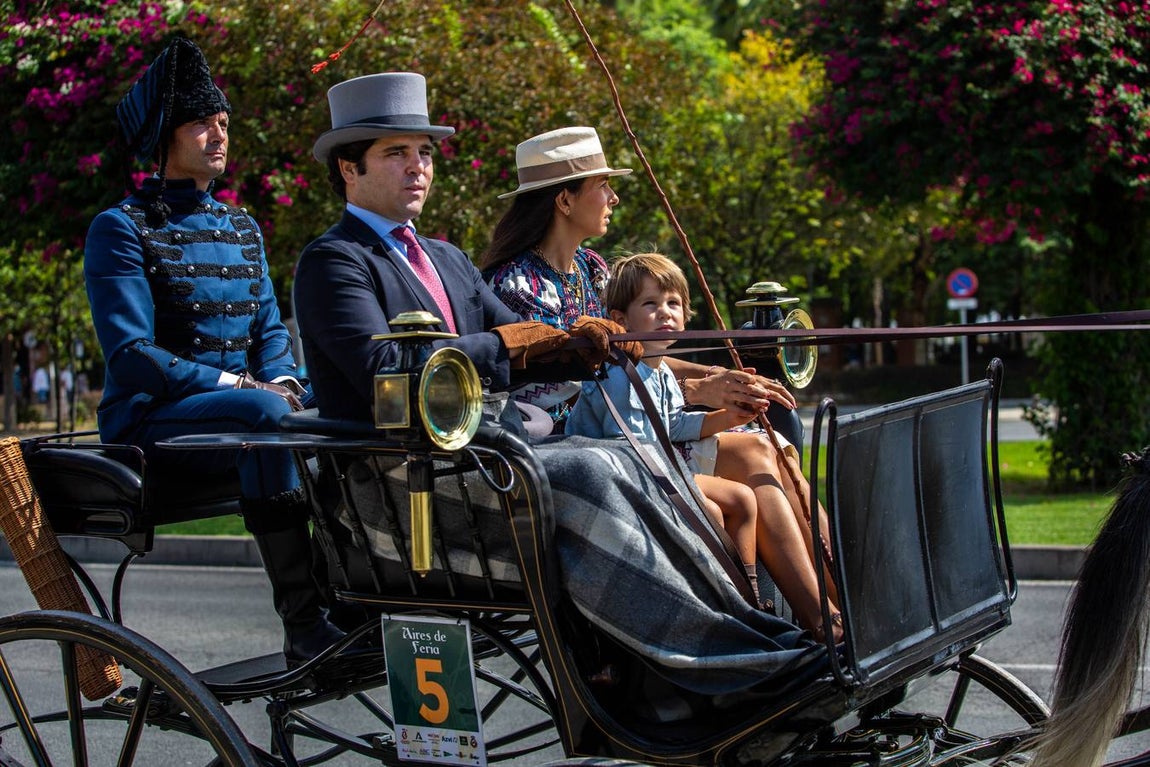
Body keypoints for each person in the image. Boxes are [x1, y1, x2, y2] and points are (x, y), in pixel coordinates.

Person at [295, 72, 826, 697]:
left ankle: (762, 636)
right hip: (411, 483)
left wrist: (583, 344)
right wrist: (510, 345)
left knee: (624, 459)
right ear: (348, 169)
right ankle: (723, 664)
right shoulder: (334, 261)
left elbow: (532, 347)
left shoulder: (446, 258)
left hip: (493, 458)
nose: (418, 168)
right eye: (396, 153)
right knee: (600, 468)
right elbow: (389, 371)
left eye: (425, 152)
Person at [485, 126, 840, 606]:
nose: (612, 198)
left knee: (772, 447)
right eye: (602, 187)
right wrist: (697, 391)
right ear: (565, 201)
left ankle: (839, 609)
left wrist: (716, 379)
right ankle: (818, 621)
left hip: (636, 422)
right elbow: (584, 380)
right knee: (758, 453)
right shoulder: (516, 283)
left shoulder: (592, 269)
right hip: (586, 439)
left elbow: (638, 353)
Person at [84, 37, 343, 663]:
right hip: (150, 424)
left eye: (223, 124)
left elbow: (270, 332)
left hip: (244, 411)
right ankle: (304, 623)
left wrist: (281, 380)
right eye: (203, 124)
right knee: (262, 418)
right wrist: (245, 391)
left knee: (343, 399)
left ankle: (350, 596)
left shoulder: (242, 225)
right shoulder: (121, 226)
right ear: (166, 137)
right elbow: (131, 355)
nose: (219, 136)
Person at [567, 253, 841, 639]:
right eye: (651, 305)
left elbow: (674, 424)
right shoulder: (620, 373)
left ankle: (763, 600)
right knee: (737, 498)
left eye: (673, 304)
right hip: (626, 476)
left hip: (651, 463)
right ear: (621, 320)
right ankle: (752, 607)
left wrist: (728, 419)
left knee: (747, 488)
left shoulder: (657, 369)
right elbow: (627, 447)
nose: (665, 313)